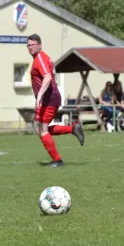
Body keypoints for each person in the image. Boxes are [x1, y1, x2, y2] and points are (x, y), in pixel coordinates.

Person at [27, 34, 84, 167]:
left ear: (40, 45)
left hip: (48, 98)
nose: (30, 48)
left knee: (42, 129)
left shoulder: (40, 57)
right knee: (41, 129)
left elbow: (47, 77)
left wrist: (40, 95)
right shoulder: (41, 57)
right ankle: (73, 128)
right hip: (51, 97)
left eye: (33, 45)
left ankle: (57, 160)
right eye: (28, 45)